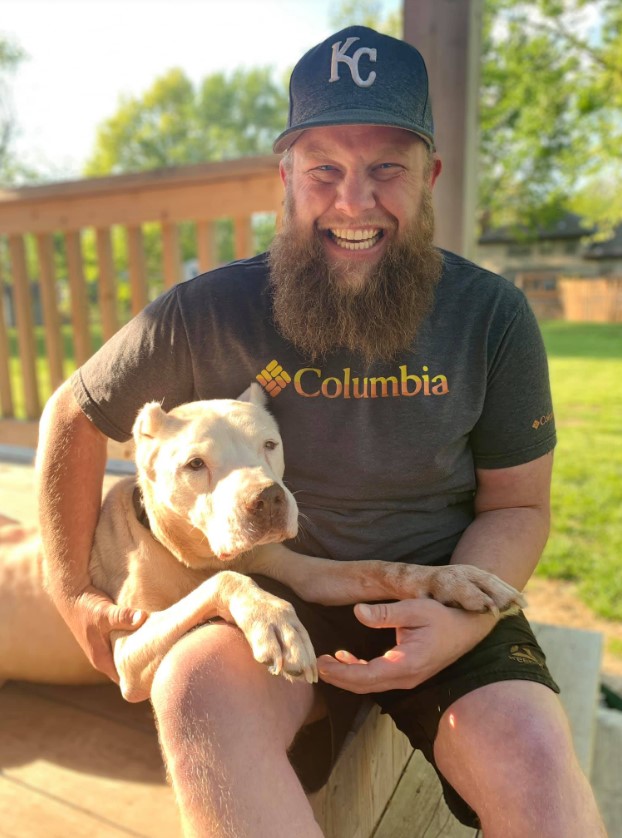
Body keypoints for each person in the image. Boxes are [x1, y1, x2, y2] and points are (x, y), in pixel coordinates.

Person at [37, 25, 605, 837]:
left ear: (431, 177)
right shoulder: (207, 312)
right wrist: (73, 596)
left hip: (435, 586)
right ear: (287, 179)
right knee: (193, 693)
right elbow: (73, 413)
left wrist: (462, 619)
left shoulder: (492, 317)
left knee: (537, 769)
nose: (353, 201)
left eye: (386, 169)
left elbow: (518, 506)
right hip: (266, 594)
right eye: (325, 170)